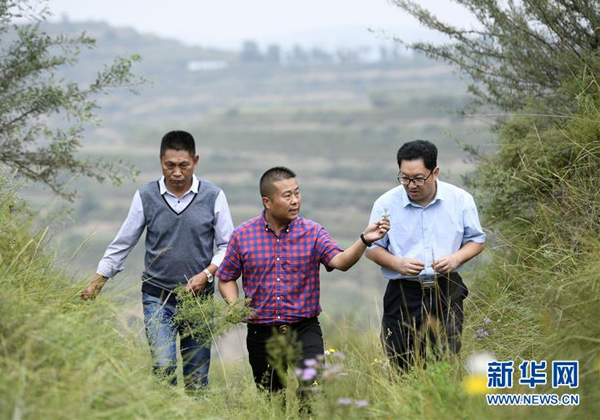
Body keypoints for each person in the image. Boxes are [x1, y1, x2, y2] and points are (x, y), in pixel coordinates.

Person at [80, 130, 234, 389]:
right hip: (157, 296)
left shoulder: (213, 196)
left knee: (197, 378)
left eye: (183, 165)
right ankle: (164, 407)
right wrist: (97, 282)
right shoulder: (146, 196)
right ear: (161, 161)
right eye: (169, 165)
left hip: (199, 300)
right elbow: (123, 242)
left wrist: (207, 274)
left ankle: (194, 409)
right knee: (164, 367)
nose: (177, 172)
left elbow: (228, 245)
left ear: (195, 161)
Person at [216, 166, 389, 395]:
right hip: (261, 333)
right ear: (267, 202)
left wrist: (364, 240)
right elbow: (226, 277)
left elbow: (341, 261)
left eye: (297, 193)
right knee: (272, 398)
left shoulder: (313, 232)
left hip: (304, 329)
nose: (295, 200)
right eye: (287, 195)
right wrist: (234, 305)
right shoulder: (243, 235)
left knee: (313, 391)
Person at [365, 139, 485, 370]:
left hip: (446, 289)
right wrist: (397, 263)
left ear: (435, 172)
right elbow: (372, 249)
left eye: (418, 178)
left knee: (444, 361)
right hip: (403, 292)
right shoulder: (385, 204)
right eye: (404, 178)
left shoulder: (460, 200)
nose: (411, 185)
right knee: (401, 363)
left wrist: (455, 259)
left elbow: (476, 241)